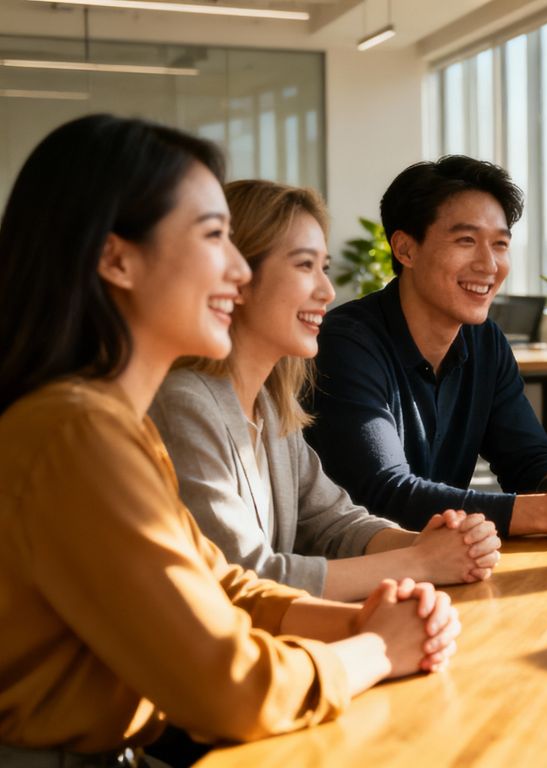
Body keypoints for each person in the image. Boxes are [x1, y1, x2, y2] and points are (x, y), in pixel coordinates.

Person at [0, 115, 457, 762]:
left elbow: (225, 588)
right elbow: (232, 690)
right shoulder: (76, 431)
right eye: (215, 236)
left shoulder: (110, 425)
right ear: (115, 258)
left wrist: (365, 622)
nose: (241, 272)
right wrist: (378, 649)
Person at [150, 180, 501, 602]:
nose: (327, 291)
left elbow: (334, 521)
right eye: (304, 266)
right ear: (235, 277)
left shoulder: (270, 405)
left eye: (325, 268)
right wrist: (420, 563)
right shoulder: (184, 402)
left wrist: (424, 543)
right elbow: (246, 578)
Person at [304, 155, 547, 540]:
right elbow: (382, 494)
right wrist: (546, 512)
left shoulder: (485, 341)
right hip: (356, 575)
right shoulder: (345, 343)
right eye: (466, 240)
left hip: (448, 563)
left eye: (500, 244)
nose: (489, 264)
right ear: (405, 249)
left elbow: (527, 456)